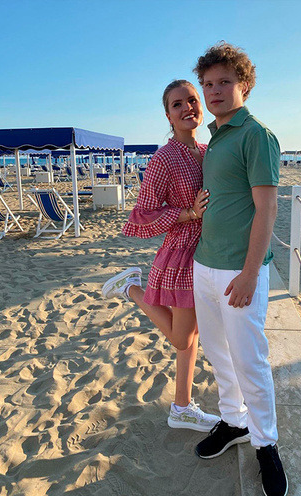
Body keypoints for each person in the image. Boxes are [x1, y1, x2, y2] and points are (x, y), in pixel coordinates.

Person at [191, 42, 288, 496]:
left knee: (250, 360)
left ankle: (266, 444)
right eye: (208, 83)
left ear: (244, 85)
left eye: (224, 82)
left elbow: (267, 208)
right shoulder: (215, 138)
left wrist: (250, 273)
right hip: (204, 265)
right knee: (218, 353)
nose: (214, 90)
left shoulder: (256, 135)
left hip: (238, 271)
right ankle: (233, 421)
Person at [101, 79, 220, 433]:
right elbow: (142, 215)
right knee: (182, 338)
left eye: (192, 100)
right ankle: (131, 289)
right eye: (177, 104)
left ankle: (182, 407)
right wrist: (188, 213)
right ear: (168, 115)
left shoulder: (207, 150)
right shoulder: (163, 159)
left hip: (208, 251)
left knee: (192, 335)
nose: (187, 108)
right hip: (182, 255)